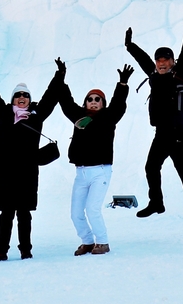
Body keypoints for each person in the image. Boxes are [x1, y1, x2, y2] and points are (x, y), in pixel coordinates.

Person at [124, 13, 183, 223]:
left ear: (172, 61)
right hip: (161, 132)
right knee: (151, 167)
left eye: (165, 60)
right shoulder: (153, 74)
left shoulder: (179, 72)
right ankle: (156, 203)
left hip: (177, 131)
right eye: (158, 60)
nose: (161, 63)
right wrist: (129, 45)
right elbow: (142, 59)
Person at [0, 51, 64, 261]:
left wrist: (59, 75)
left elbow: (51, 97)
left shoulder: (36, 116)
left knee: (25, 215)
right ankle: (1, 251)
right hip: (6, 173)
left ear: (29, 99)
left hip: (27, 173)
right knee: (6, 215)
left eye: (25, 95)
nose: (21, 98)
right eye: (18, 95)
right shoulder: (4, 115)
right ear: (13, 100)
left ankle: (25, 249)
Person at [56, 58, 134, 256]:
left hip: (100, 171)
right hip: (81, 172)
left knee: (92, 209)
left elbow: (118, 104)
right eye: (90, 99)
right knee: (75, 214)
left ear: (103, 104)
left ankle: (103, 242)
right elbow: (65, 102)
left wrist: (122, 84)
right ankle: (88, 241)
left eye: (97, 99)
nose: (93, 102)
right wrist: (61, 78)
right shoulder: (79, 116)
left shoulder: (108, 118)